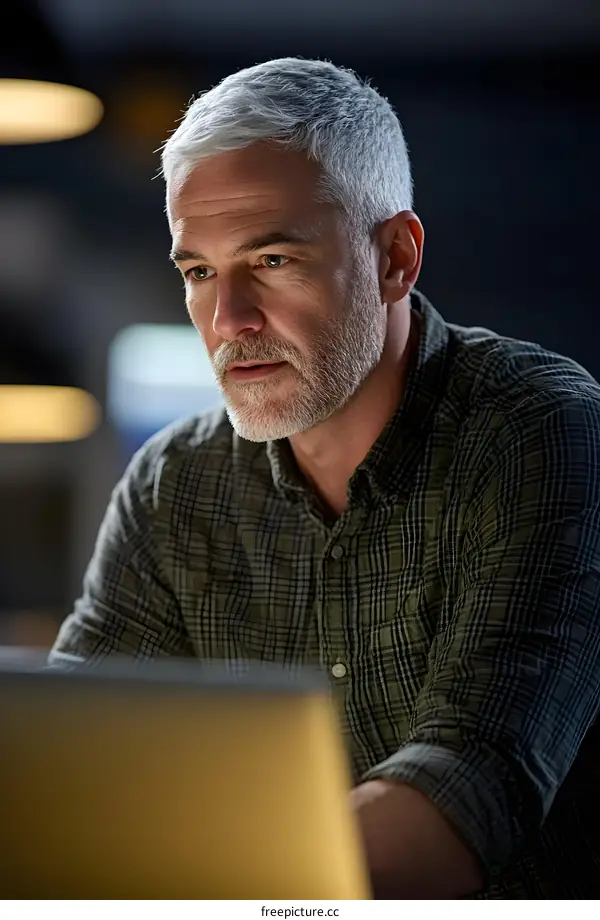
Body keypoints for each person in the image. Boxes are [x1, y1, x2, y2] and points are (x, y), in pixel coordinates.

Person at [50, 58, 600, 899]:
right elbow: (68, 769)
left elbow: (463, 801)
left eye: (270, 259)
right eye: (199, 271)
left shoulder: (540, 430)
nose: (228, 320)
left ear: (395, 258)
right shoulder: (174, 486)